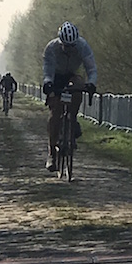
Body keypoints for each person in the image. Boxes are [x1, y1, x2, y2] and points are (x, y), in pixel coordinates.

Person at [42, 22, 97, 171]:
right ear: (60, 42)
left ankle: (72, 119)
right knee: (55, 113)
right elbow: (48, 71)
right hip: (56, 77)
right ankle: (52, 153)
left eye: (72, 46)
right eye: (66, 46)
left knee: (78, 86)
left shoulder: (82, 46)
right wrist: (48, 84)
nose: (69, 50)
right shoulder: (51, 48)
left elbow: (91, 68)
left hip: (72, 75)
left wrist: (91, 83)